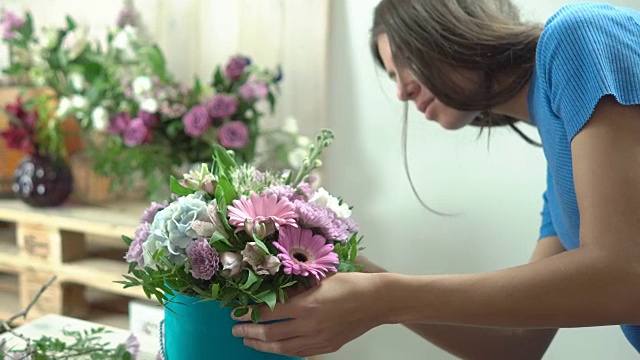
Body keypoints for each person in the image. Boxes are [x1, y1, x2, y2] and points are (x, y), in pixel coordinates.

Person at [230, 0, 640, 358]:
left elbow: (625, 275)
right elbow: (516, 344)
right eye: (391, 77)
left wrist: (384, 299)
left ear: (444, 23)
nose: (402, 93)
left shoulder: (581, 33)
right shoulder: (561, 171)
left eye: (401, 64)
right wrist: (350, 267)